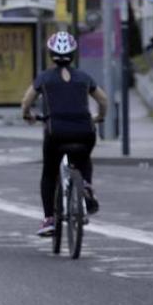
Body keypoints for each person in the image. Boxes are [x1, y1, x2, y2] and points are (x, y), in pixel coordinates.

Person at [20, 32, 109, 237]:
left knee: (49, 174)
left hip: (56, 132)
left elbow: (27, 101)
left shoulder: (44, 77)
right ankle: (85, 185)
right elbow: (103, 100)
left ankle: (49, 219)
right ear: (73, 54)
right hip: (85, 130)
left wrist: (27, 115)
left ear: (51, 54)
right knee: (84, 157)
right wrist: (99, 117)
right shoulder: (84, 77)